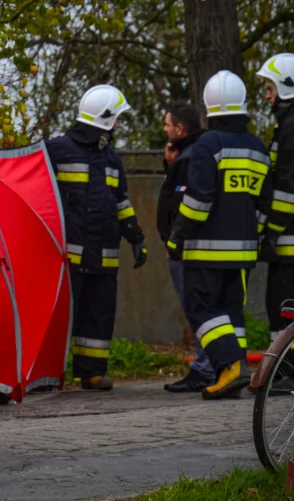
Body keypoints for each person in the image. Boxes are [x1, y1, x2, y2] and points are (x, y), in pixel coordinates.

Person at [166, 70, 270, 400]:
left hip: (206, 250)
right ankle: (232, 374)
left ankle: (230, 365)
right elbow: (265, 205)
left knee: (201, 307)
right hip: (242, 252)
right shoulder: (257, 146)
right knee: (231, 311)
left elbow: (198, 201)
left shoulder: (208, 144)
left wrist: (177, 237)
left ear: (209, 106)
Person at [47, 85, 147, 391]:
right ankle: (48, 374)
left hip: (104, 251)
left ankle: (91, 372)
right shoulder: (57, 150)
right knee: (60, 316)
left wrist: (136, 237)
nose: (117, 125)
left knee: (99, 313)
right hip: (68, 255)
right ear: (105, 120)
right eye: (115, 118)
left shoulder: (111, 158)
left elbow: (121, 202)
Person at [158, 102, 215, 392]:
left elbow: (181, 205)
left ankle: (205, 368)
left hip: (185, 250)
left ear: (180, 129)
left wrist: (174, 242)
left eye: (168, 125)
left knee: (197, 309)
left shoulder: (190, 159)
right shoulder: (189, 156)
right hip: (186, 247)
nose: (165, 129)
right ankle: (210, 366)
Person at [257, 54, 294, 345]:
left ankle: (286, 372)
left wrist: (270, 234)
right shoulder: (286, 125)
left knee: (282, 308)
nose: (267, 95)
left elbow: (286, 190)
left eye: (271, 88)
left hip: (288, 240)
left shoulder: (291, 127)